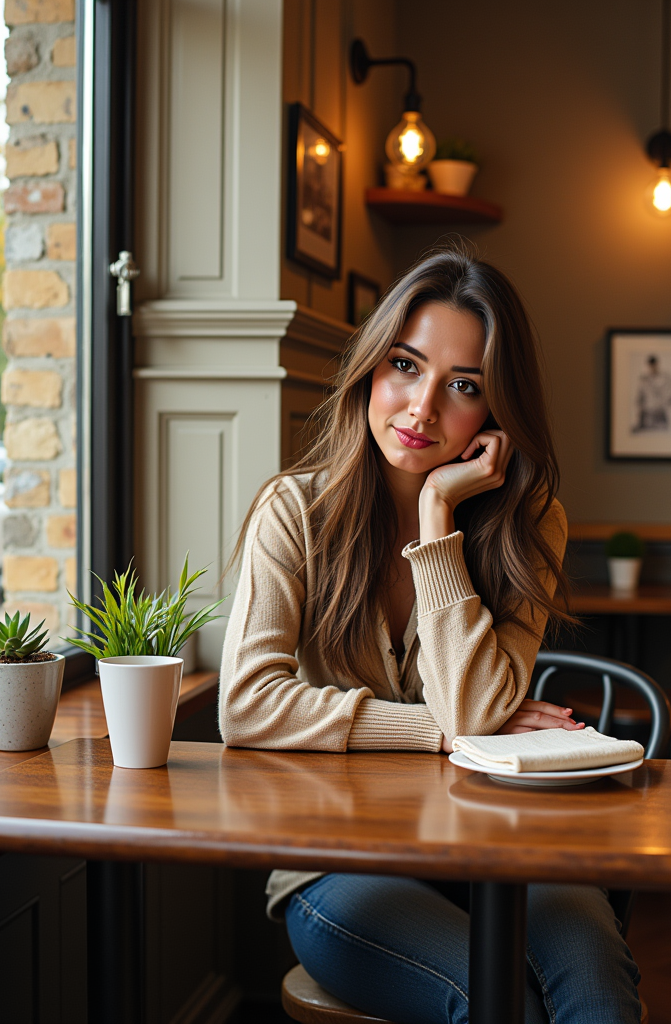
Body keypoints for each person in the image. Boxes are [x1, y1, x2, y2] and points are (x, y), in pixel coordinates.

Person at [219, 243, 641, 1024]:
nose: (421, 409)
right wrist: (437, 733)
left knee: (598, 991)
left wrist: (437, 517)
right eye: (406, 367)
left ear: (495, 411)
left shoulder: (529, 524)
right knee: (498, 1002)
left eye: (464, 386)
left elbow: (475, 711)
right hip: (337, 862)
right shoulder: (294, 512)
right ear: (372, 368)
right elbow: (246, 705)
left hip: (504, 840)